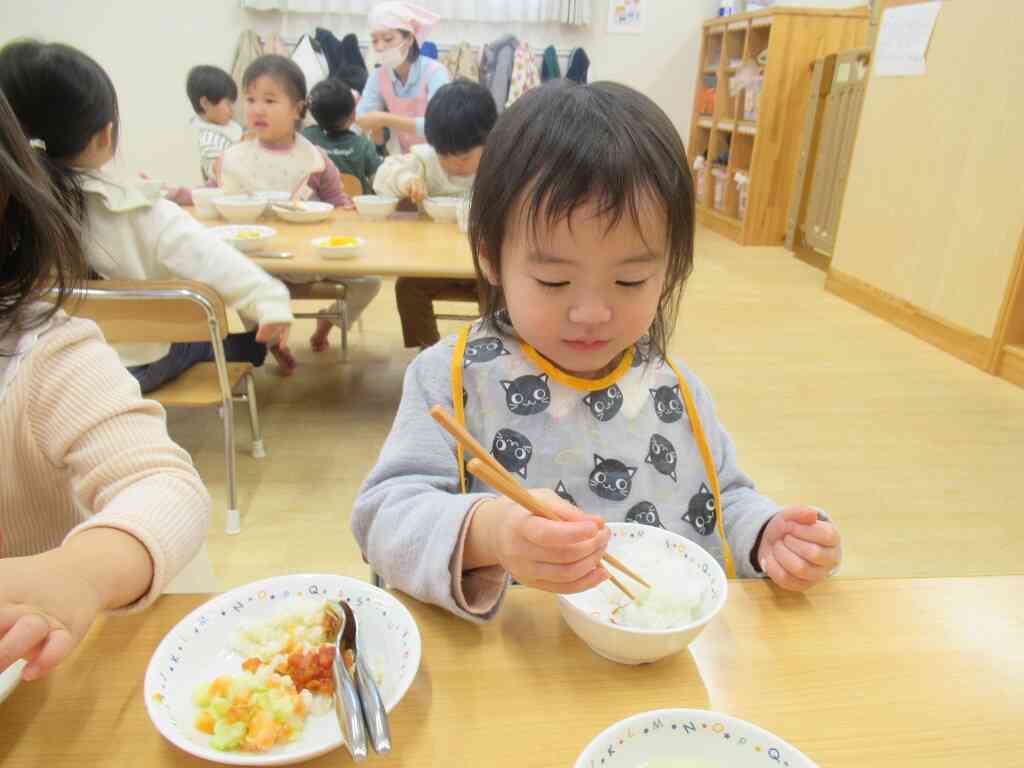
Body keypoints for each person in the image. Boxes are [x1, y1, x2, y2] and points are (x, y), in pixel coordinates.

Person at [352, 81, 843, 622]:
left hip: (656, 659)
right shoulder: (450, 378)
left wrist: (767, 536)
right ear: (492, 258)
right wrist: (491, 533)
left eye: (630, 281)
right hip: (518, 661)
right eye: (553, 281)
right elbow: (384, 517)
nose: (591, 312)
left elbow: (720, 496)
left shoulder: (671, 387)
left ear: (669, 267)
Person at [0, 87, 210, 682]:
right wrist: (269, 307)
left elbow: (161, 483)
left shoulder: (41, 355)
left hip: (41, 679)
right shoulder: (149, 205)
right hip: (155, 350)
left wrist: (75, 574)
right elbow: (223, 270)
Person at [0, 41, 296, 387]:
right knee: (203, 336)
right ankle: (249, 347)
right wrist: (270, 302)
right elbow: (218, 263)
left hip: (27, 376)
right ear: (105, 135)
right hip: (127, 371)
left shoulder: (11, 205)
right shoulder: (139, 212)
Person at [219, 55, 382, 347]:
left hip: (312, 258)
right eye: (251, 99)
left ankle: (328, 322)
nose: (258, 109)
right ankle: (268, 342)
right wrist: (177, 193)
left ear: (298, 109)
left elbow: (337, 201)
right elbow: (215, 197)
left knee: (370, 282)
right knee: (230, 283)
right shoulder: (235, 157)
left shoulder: (314, 158)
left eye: (269, 100)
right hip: (260, 263)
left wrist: (349, 206)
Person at [373, 80, 496, 349]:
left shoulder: (498, 164)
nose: (452, 164)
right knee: (408, 286)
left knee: (504, 291)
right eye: (444, 155)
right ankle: (428, 351)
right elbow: (382, 176)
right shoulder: (425, 160)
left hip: (485, 266)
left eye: (463, 158)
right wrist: (406, 180)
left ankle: (490, 349)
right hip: (433, 262)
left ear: (490, 140)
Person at [355, 2, 450, 154]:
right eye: (374, 40)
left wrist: (384, 119)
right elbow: (362, 116)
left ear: (410, 39)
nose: (380, 47)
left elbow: (438, 125)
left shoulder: (435, 73)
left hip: (441, 156)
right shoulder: (379, 76)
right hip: (408, 157)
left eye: (387, 39)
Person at [303, 77, 382, 194]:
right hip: (356, 209)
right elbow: (379, 181)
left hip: (318, 207)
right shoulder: (362, 145)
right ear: (353, 115)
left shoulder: (307, 138)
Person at [186, 64, 243, 182]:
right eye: (228, 103)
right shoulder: (209, 141)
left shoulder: (228, 126)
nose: (233, 109)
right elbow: (217, 173)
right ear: (205, 103)